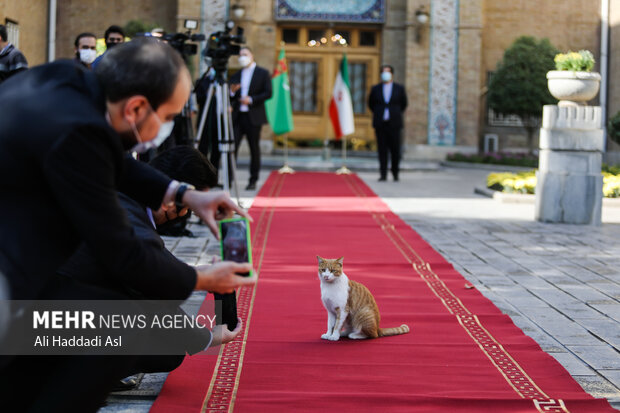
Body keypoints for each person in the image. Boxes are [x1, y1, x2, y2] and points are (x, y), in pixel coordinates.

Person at [0, 38, 254, 412]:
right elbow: (123, 253)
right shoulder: (77, 137)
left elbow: (114, 158)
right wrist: (204, 279)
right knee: (123, 328)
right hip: (11, 284)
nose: (165, 130)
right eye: (168, 118)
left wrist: (184, 193)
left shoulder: (68, 80)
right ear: (136, 107)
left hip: (34, 271)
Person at [59, 146, 230, 385]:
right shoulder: (127, 219)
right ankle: (78, 372)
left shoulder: (122, 194)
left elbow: (157, 263)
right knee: (168, 346)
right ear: (173, 201)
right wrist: (208, 337)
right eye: (189, 209)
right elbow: (153, 291)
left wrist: (199, 274)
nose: (185, 217)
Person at [230, 46, 272, 190]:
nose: (242, 57)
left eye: (245, 54)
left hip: (253, 116)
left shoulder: (262, 73)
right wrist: (232, 93)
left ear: (252, 55)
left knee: (254, 148)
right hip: (238, 116)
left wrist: (252, 99)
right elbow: (232, 95)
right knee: (232, 146)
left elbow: (268, 93)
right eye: (240, 55)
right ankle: (230, 179)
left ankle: (253, 180)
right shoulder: (236, 74)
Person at [368, 65, 408, 182]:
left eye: (388, 72)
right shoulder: (375, 88)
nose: (385, 74)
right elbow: (371, 104)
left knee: (395, 150)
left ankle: (395, 173)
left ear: (392, 74)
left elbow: (404, 104)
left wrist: (394, 113)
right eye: (383, 72)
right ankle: (383, 174)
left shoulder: (399, 88)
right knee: (382, 150)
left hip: (394, 123)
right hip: (380, 124)